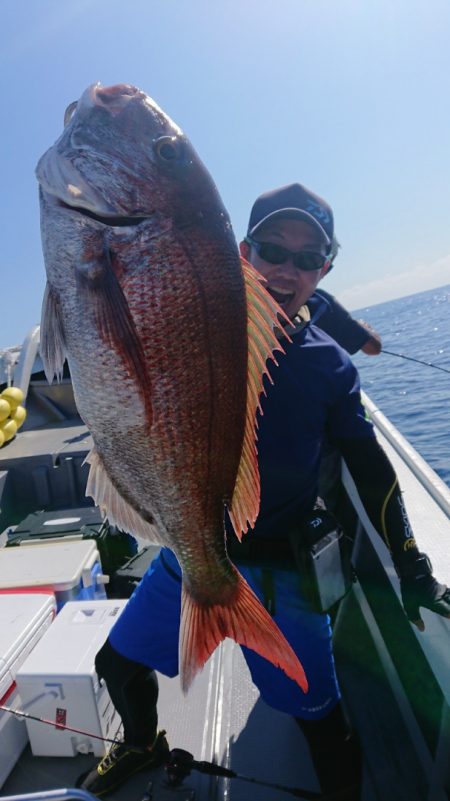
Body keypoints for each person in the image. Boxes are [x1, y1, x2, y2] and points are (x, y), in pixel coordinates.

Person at [77, 182, 450, 800]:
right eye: (273, 250)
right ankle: (143, 743)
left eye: (307, 258)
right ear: (242, 253)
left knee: (318, 720)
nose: (286, 269)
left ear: (324, 271)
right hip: (190, 550)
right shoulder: (189, 329)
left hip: (282, 573)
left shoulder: (329, 364)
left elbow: (371, 467)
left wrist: (411, 562)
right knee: (114, 664)